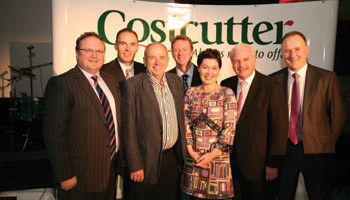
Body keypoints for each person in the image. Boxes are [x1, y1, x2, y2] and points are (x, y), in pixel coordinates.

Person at [42, 32, 122, 200]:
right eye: (88, 50)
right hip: (78, 178)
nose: (95, 55)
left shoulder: (110, 81)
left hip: (109, 172)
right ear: (77, 53)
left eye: (100, 51)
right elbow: (54, 135)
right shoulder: (62, 84)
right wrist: (64, 174)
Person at [270, 31, 346, 200]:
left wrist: (325, 144)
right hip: (285, 151)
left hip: (318, 152)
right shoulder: (274, 81)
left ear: (307, 49)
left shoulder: (326, 78)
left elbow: (338, 117)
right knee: (283, 195)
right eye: (287, 51)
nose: (292, 55)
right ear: (282, 54)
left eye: (297, 49)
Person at [220, 43, 289, 200]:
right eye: (236, 61)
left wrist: (273, 163)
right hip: (230, 163)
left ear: (255, 60)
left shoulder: (271, 86)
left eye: (245, 59)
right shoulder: (226, 85)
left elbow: (279, 128)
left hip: (259, 165)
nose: (241, 65)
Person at [121, 42, 187, 200]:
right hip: (145, 162)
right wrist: (135, 165)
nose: (157, 62)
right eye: (152, 57)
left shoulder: (176, 82)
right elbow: (128, 129)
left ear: (168, 60)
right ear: (144, 61)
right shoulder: (132, 85)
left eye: (162, 57)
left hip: (172, 161)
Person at [181, 48, 236, 199]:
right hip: (195, 159)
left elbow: (229, 129)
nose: (209, 72)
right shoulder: (190, 93)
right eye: (205, 67)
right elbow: (186, 124)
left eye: (214, 68)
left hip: (218, 161)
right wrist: (192, 153)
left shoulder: (227, 93)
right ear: (198, 68)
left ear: (219, 71)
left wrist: (211, 155)